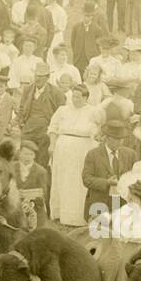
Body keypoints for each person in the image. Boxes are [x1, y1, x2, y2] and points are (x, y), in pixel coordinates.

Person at [48, 84, 103, 227]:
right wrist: (52, 144)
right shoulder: (63, 110)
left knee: (77, 182)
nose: (75, 99)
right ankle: (61, 214)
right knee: (63, 179)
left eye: (78, 97)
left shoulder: (93, 111)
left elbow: (97, 131)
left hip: (82, 150)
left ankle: (78, 216)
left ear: (85, 97)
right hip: (63, 150)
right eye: (73, 96)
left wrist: (96, 134)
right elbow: (52, 128)